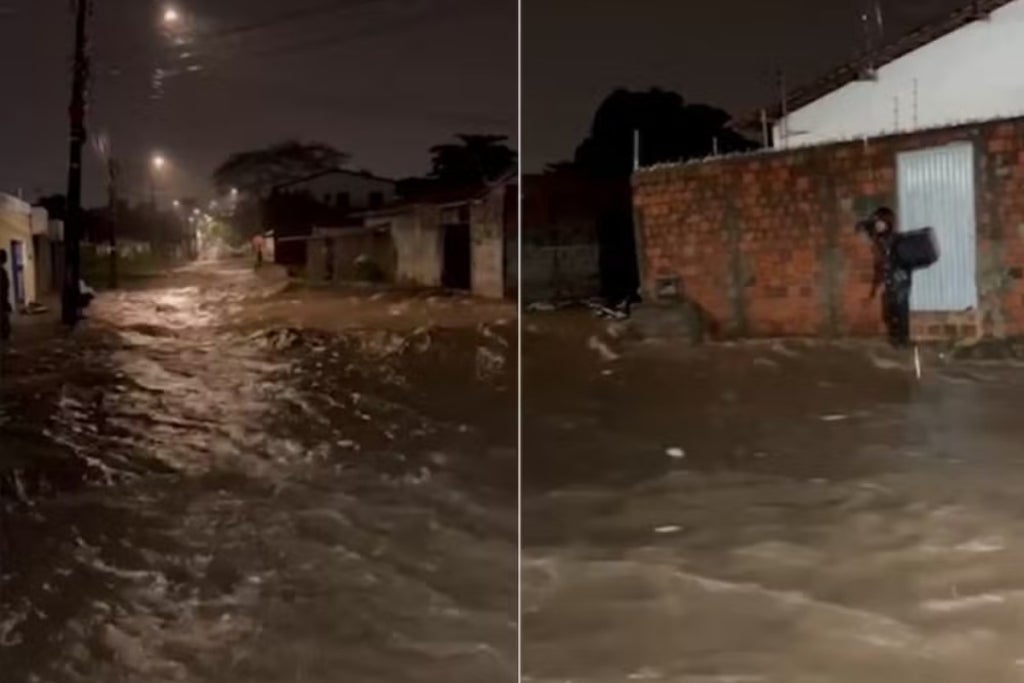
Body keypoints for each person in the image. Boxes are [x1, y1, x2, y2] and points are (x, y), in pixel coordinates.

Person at [865, 207, 912, 347]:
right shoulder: (880, 241)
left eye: (880, 222)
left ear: (887, 223)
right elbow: (879, 266)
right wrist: (874, 288)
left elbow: (899, 260)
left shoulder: (895, 239)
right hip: (890, 281)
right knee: (888, 313)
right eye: (876, 223)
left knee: (900, 311)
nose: (877, 225)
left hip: (900, 280)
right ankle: (896, 338)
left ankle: (902, 340)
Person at [0, 248, 11, 343]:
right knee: (3, 318)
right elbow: (3, 288)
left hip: (2, 299)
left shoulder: (2, 271)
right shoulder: (2, 272)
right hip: (1, 300)